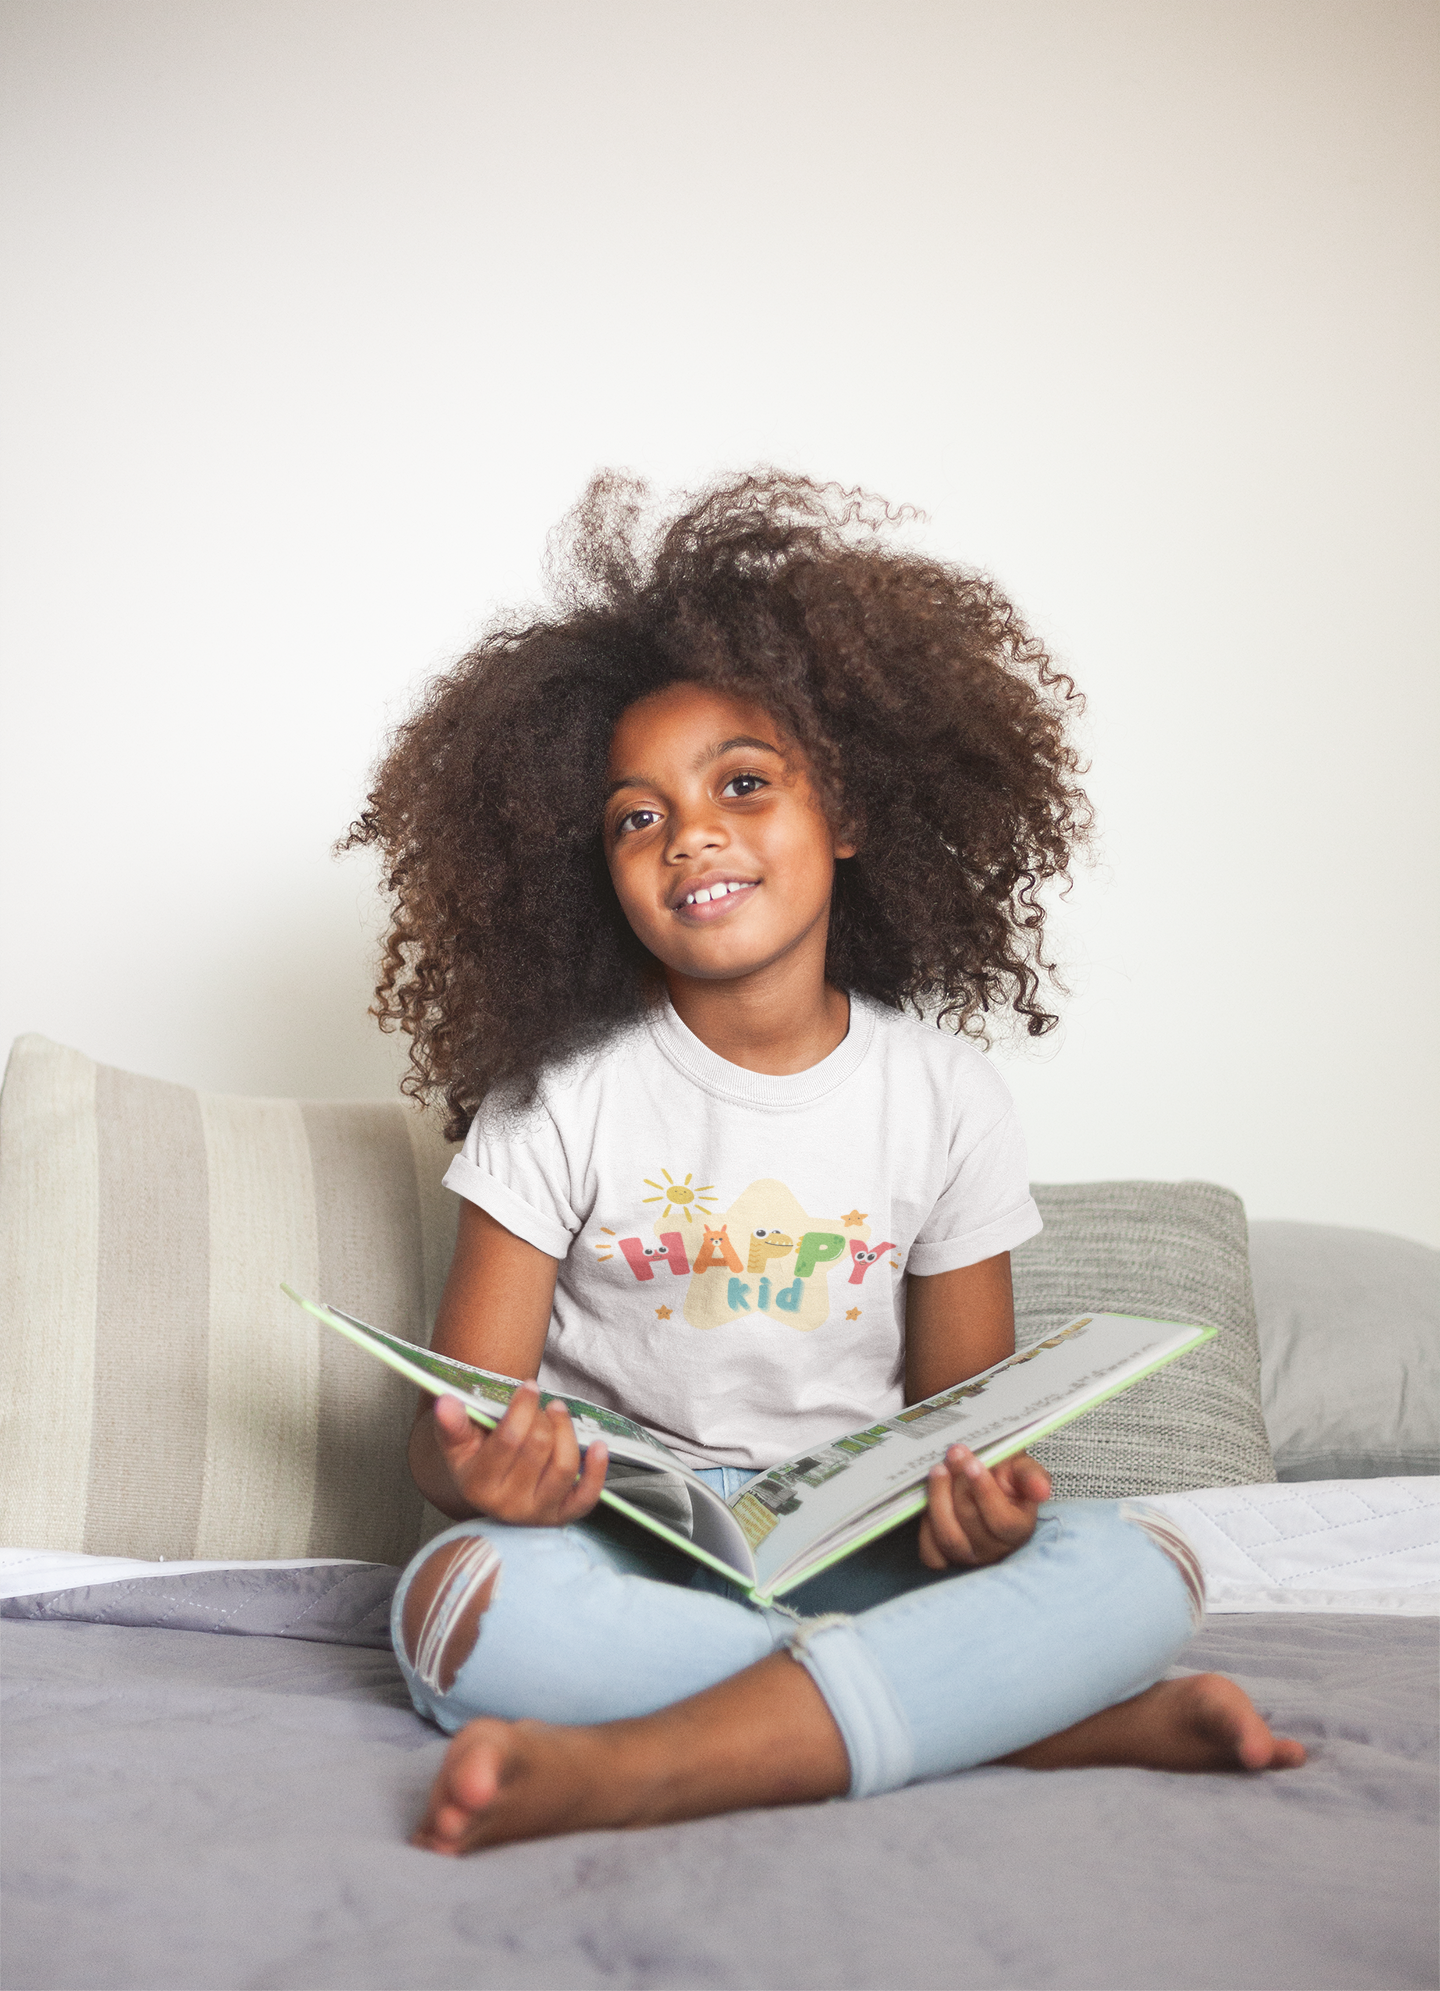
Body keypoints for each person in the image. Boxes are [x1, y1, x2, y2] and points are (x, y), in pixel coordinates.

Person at [345, 473, 1304, 1856]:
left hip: (861, 1555)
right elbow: (454, 1439)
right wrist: (486, 1483)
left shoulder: (947, 1096)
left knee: (1142, 1563)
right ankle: (1040, 1722)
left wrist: (979, 1519)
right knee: (462, 1603)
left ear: (846, 816)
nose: (692, 835)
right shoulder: (558, 1099)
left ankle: (642, 1764)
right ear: (595, 871)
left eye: (743, 783)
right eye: (636, 815)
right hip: (621, 1548)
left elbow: (963, 1434)